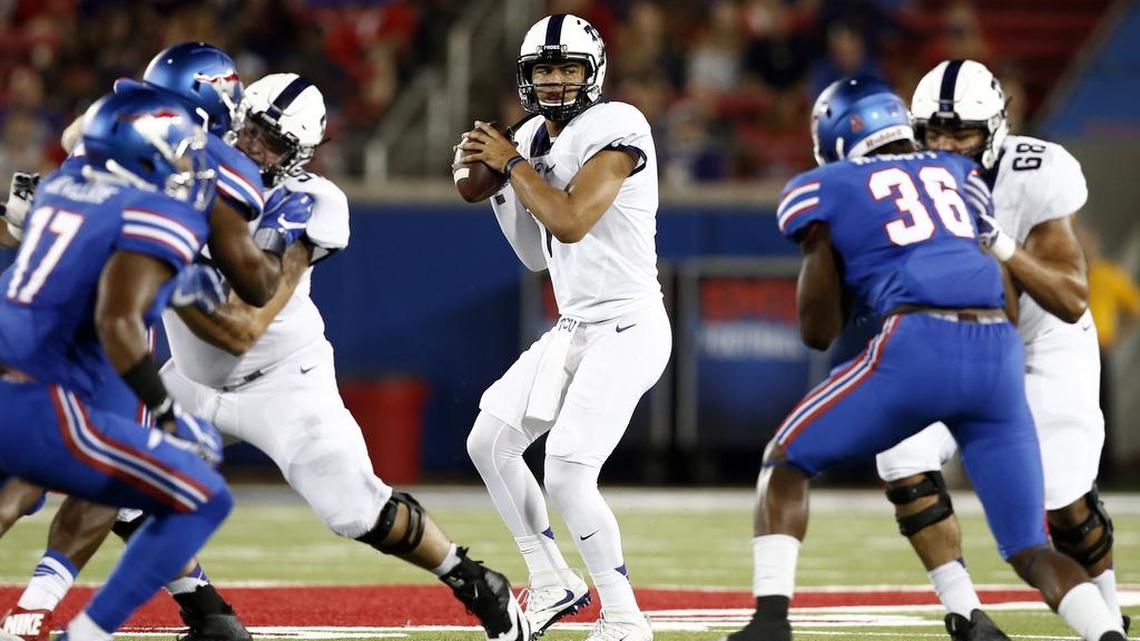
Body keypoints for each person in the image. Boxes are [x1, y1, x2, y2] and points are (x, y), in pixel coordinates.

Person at [8, 73, 533, 641]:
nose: (256, 149)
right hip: (189, 376)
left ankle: (473, 580)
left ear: (298, 155)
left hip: (281, 381)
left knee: (356, 513)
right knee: (117, 481)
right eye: (253, 131)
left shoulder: (311, 200)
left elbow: (241, 327)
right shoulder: (185, 173)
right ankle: (206, 615)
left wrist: (163, 265)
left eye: (273, 143)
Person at [721, 76, 1126, 641]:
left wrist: (823, 248)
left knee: (785, 459)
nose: (951, 142)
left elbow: (817, 331)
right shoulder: (962, 178)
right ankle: (1100, 633)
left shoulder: (825, 184)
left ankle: (768, 623)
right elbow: (999, 293)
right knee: (1029, 546)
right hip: (999, 350)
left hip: (925, 341)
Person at [0, 42, 304, 641]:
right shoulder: (194, 174)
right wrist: (287, 233)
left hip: (19, 311)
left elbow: (43, 189)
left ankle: (205, 609)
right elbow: (254, 280)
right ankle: (37, 617)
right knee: (131, 474)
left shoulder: (95, 138)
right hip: (97, 340)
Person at [874, 59, 1128, 640]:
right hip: (957, 339)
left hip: (1046, 341)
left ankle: (1108, 612)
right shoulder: (899, 177)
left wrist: (999, 243)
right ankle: (965, 612)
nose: (946, 146)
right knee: (899, 450)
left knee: (1061, 491)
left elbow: (1070, 299)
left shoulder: (1037, 171)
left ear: (995, 130)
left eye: (961, 132)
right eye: (933, 133)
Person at [458, 13, 670, 641]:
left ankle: (627, 619)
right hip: (575, 325)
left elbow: (572, 219)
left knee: (568, 470)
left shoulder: (619, 124)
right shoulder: (528, 137)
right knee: (488, 441)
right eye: (544, 69)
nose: (554, 80)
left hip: (629, 324)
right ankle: (551, 577)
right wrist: (497, 184)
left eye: (567, 68)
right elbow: (533, 251)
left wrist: (513, 166)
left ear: (593, 73)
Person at [1079, 223, 1140, 481]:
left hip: (1098, 349)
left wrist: (1114, 339)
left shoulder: (1108, 274)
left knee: (1101, 410)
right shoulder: (1070, 273)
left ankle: (1103, 470)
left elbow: (1135, 309)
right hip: (1072, 352)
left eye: (1088, 244)